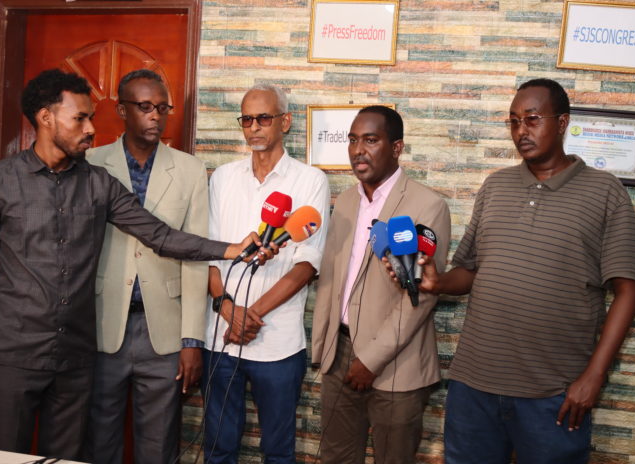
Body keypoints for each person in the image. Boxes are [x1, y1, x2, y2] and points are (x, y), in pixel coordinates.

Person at [0, 68, 264, 460]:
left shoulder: (99, 183)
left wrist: (231, 248)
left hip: (75, 359)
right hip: (12, 353)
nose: (89, 128)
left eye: (90, 118)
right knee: (1, 456)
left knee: (67, 458)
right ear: (46, 118)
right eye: (79, 118)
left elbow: (160, 235)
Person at [415, 78, 635, 463]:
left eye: (532, 119)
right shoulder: (495, 186)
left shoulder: (605, 192)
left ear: (563, 121)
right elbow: (469, 270)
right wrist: (437, 283)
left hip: (554, 392)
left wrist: (593, 377)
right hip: (475, 387)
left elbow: (629, 290)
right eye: (514, 121)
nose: (522, 131)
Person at [311, 106, 451, 463]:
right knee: (336, 457)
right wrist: (325, 347)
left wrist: (370, 359)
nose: (358, 149)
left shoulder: (427, 205)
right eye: (353, 140)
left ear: (397, 147)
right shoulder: (344, 201)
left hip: (397, 364)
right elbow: (332, 277)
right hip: (340, 353)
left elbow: (420, 297)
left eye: (371, 140)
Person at [83, 69, 208, 463]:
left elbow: (196, 256)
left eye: (162, 108)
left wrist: (191, 340)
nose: (156, 116)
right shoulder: (91, 164)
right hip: (102, 327)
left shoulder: (190, 170)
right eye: (145, 107)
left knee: (158, 447)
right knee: (100, 442)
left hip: (165, 334)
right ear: (121, 109)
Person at [202, 83, 330, 463]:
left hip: (278, 342)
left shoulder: (310, 180)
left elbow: (306, 264)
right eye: (246, 119)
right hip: (221, 338)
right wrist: (227, 308)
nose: (254, 127)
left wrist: (249, 315)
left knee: (277, 451)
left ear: (285, 122)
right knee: (218, 447)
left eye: (263, 118)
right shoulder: (222, 178)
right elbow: (207, 254)